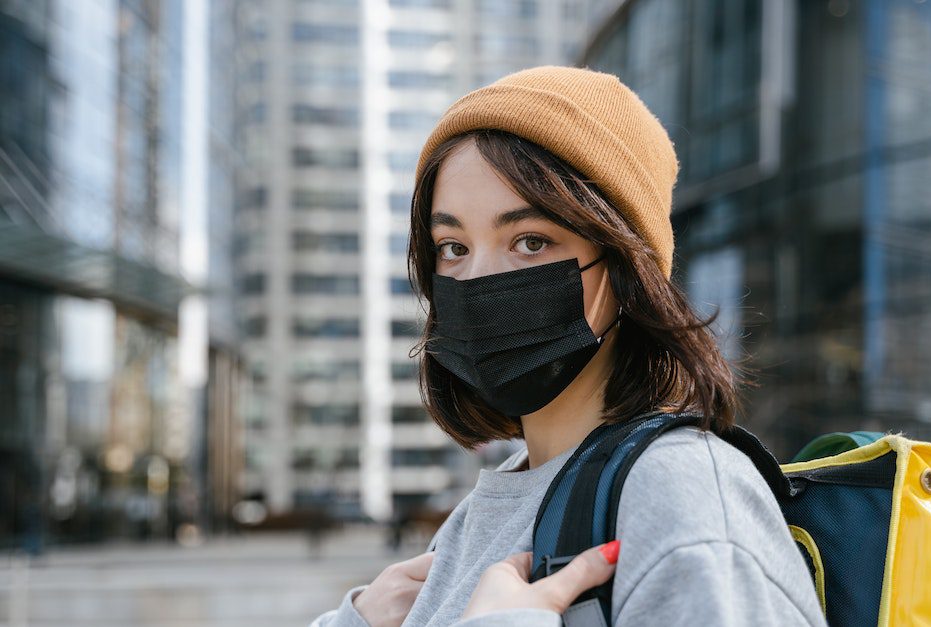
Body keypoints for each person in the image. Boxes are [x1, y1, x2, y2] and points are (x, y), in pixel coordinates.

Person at [309, 66, 826, 627]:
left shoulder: (682, 495)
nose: (479, 280)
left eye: (530, 242)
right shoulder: (482, 510)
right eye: (452, 247)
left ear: (626, 267)